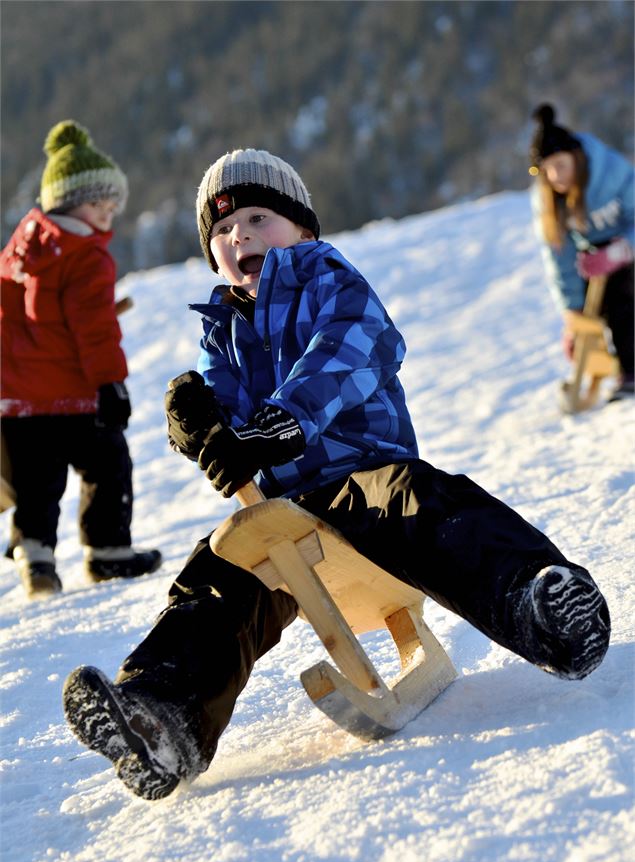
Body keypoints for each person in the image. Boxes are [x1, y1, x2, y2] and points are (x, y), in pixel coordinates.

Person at [63, 148, 610, 802]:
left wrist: (283, 421)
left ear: (301, 230)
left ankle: (538, 603)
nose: (240, 235)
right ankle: (163, 714)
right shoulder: (223, 333)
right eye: (223, 231)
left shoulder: (326, 279)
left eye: (259, 218)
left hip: (366, 483)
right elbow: (230, 424)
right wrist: (200, 420)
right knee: (221, 566)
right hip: (296, 521)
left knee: (424, 502)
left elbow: (358, 345)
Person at [0, 120, 162, 599]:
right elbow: (94, 330)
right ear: (71, 203)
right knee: (108, 463)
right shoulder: (87, 256)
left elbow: (23, 322)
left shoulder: (19, 251)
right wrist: (111, 384)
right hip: (75, 396)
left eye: (112, 206)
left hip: (20, 403)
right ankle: (108, 551)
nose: (108, 215)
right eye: (101, 204)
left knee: (38, 483)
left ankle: (36, 558)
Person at [528, 103, 634, 401]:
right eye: (546, 171)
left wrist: (622, 251)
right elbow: (559, 261)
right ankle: (605, 364)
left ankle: (631, 370)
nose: (555, 177)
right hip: (596, 261)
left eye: (560, 165)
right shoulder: (550, 202)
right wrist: (572, 318)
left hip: (627, 252)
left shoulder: (611, 173)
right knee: (592, 306)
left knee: (622, 295)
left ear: (576, 157)